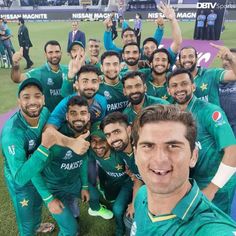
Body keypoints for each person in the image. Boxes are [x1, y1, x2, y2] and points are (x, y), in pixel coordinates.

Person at [1, 78, 89, 235]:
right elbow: (20, 177)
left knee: (37, 205)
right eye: (26, 97)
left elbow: (51, 133)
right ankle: (31, 228)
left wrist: (70, 142)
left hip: (40, 170)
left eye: (37, 96)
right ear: (18, 101)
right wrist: (44, 147)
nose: (33, 101)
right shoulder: (12, 134)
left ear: (43, 98)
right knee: (27, 219)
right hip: (22, 179)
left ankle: (37, 225)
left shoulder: (45, 112)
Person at [131, 104, 236, 235]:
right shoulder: (142, 194)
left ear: (193, 156)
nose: (159, 159)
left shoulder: (210, 229)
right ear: (135, 155)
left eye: (173, 146)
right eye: (148, 146)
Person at [32, 95, 113, 235]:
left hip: (73, 183)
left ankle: (94, 209)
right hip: (54, 188)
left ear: (88, 116)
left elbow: (83, 160)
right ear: (67, 116)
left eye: (82, 113)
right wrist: (48, 199)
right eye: (73, 113)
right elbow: (33, 170)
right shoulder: (55, 139)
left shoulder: (87, 134)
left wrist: (85, 186)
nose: (78, 117)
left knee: (94, 196)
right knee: (71, 230)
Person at [167, 68, 236, 214]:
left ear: (193, 86)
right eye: (174, 85)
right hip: (192, 182)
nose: (179, 89)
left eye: (184, 83)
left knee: (215, 225)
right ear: (168, 90)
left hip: (216, 184)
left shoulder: (210, 111)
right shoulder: (171, 114)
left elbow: (232, 151)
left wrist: (212, 189)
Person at [90, 122, 133, 236]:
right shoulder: (91, 150)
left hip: (127, 183)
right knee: (111, 201)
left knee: (118, 209)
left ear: (109, 142)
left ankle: (120, 230)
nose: (98, 145)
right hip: (110, 182)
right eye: (94, 140)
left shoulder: (120, 153)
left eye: (102, 140)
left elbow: (135, 173)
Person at [11, 40, 67, 112]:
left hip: (66, 116)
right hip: (48, 117)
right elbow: (17, 78)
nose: (54, 55)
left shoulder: (68, 70)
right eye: (50, 52)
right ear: (45, 54)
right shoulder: (39, 72)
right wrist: (15, 64)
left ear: (61, 53)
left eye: (57, 52)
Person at [219, 48, 236, 136]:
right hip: (221, 130)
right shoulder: (215, 78)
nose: (227, 62)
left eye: (231, 59)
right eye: (225, 59)